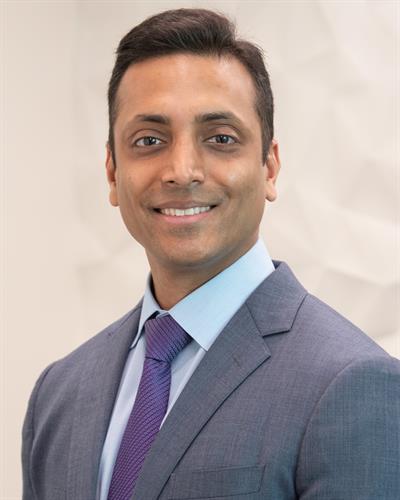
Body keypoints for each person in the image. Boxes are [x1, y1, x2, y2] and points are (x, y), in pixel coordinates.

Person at [22, 8, 400, 500]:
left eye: (221, 139)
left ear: (269, 167)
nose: (182, 171)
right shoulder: (59, 393)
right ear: (113, 173)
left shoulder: (353, 385)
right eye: (149, 140)